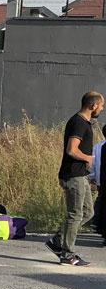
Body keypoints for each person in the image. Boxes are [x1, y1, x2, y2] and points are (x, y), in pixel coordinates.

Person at [46, 92, 101, 266]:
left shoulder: (84, 123)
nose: (102, 108)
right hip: (73, 175)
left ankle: (57, 241)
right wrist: (88, 158)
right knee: (75, 214)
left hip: (81, 175)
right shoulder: (78, 123)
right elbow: (71, 150)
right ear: (93, 106)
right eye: (101, 105)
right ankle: (68, 255)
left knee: (87, 212)